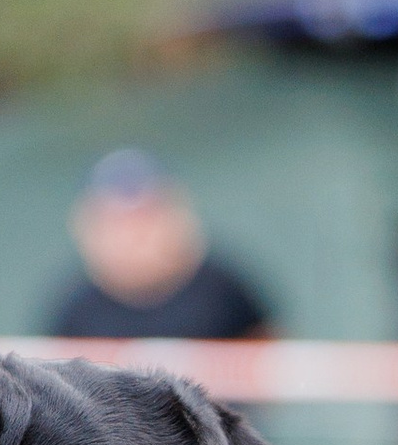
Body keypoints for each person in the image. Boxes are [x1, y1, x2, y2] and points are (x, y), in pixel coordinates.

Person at [46, 147, 273, 343]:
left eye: (146, 217)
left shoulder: (223, 292)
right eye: (120, 222)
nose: (135, 234)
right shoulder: (74, 309)